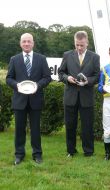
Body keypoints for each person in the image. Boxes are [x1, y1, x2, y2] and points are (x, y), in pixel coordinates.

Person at [6, 33, 51, 165]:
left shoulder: (41, 59)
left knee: (36, 129)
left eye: (29, 41)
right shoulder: (14, 59)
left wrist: (38, 85)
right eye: (24, 41)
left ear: (33, 43)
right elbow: (9, 78)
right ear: (20, 43)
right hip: (19, 100)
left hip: (35, 99)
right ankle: (19, 155)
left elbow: (47, 77)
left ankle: (37, 154)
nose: (26, 44)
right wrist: (16, 85)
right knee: (19, 129)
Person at [58, 31, 100, 157]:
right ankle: (71, 151)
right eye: (77, 45)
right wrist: (67, 78)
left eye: (82, 45)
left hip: (86, 96)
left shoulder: (95, 57)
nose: (79, 48)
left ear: (87, 43)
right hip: (70, 96)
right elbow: (61, 73)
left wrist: (88, 81)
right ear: (74, 43)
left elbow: (97, 76)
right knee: (70, 125)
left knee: (87, 125)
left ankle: (88, 151)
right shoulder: (67, 55)